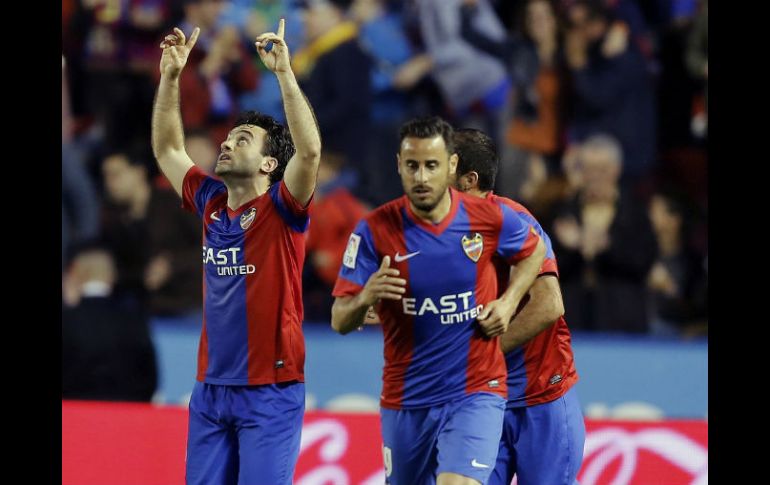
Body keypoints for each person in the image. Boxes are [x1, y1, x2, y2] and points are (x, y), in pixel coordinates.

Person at [331, 116, 546, 485]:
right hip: (406, 398)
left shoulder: (489, 217)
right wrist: (367, 294)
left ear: (451, 165)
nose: (421, 177)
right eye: (412, 165)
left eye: (431, 166)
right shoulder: (374, 230)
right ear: (399, 164)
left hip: (475, 391)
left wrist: (509, 302)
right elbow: (340, 319)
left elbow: (534, 249)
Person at [151, 18, 321, 484]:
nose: (226, 144)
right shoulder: (209, 201)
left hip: (271, 389)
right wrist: (170, 77)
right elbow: (168, 147)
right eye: (227, 139)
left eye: (241, 140)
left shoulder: (283, 207)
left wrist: (284, 74)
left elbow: (307, 154)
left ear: (269, 164)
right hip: (210, 389)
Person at [453, 128, 584, 485]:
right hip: (482, 402)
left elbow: (549, 306)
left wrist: (480, 355)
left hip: (542, 396)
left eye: (437, 167)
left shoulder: (513, 225)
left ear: (468, 180)